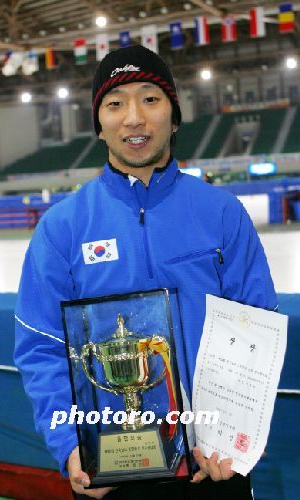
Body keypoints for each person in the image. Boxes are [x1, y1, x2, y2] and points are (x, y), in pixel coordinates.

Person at [14, 45, 277, 500]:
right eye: (115, 104)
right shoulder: (62, 228)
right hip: (111, 472)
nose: (134, 118)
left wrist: (239, 435)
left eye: (150, 99)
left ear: (174, 117)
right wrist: (71, 447)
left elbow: (257, 327)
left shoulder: (221, 212)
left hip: (212, 463)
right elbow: (43, 348)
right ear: (99, 125)